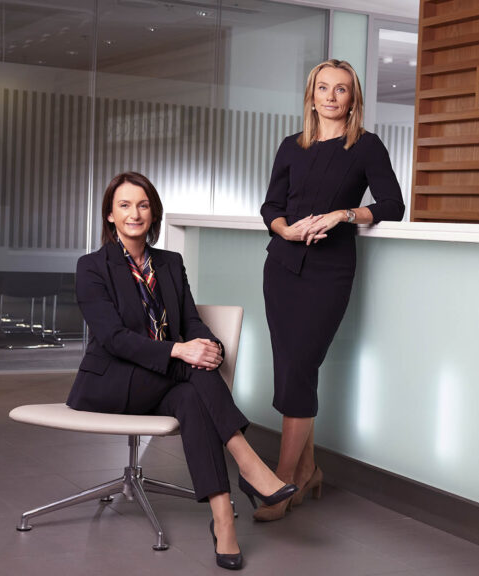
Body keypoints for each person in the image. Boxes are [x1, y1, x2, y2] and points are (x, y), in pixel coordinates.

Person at [66, 171, 297, 570]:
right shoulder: (91, 267)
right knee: (190, 371)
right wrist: (181, 351)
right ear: (109, 216)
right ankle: (248, 463)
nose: (134, 213)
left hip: (162, 382)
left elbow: (191, 321)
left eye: (142, 204)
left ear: (153, 211)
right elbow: (113, 338)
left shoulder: (170, 263)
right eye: (124, 205)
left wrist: (210, 348)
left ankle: (223, 521)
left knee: (193, 392)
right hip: (109, 384)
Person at [258, 59, 405, 522]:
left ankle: (280, 483)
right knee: (291, 368)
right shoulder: (290, 146)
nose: (331, 96)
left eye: (341, 89)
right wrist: (286, 232)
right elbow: (271, 206)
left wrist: (343, 215)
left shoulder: (365, 146)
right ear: (311, 94)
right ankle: (307, 471)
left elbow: (394, 206)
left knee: (301, 366)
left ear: (353, 98)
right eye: (323, 87)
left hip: (329, 272)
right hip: (282, 268)